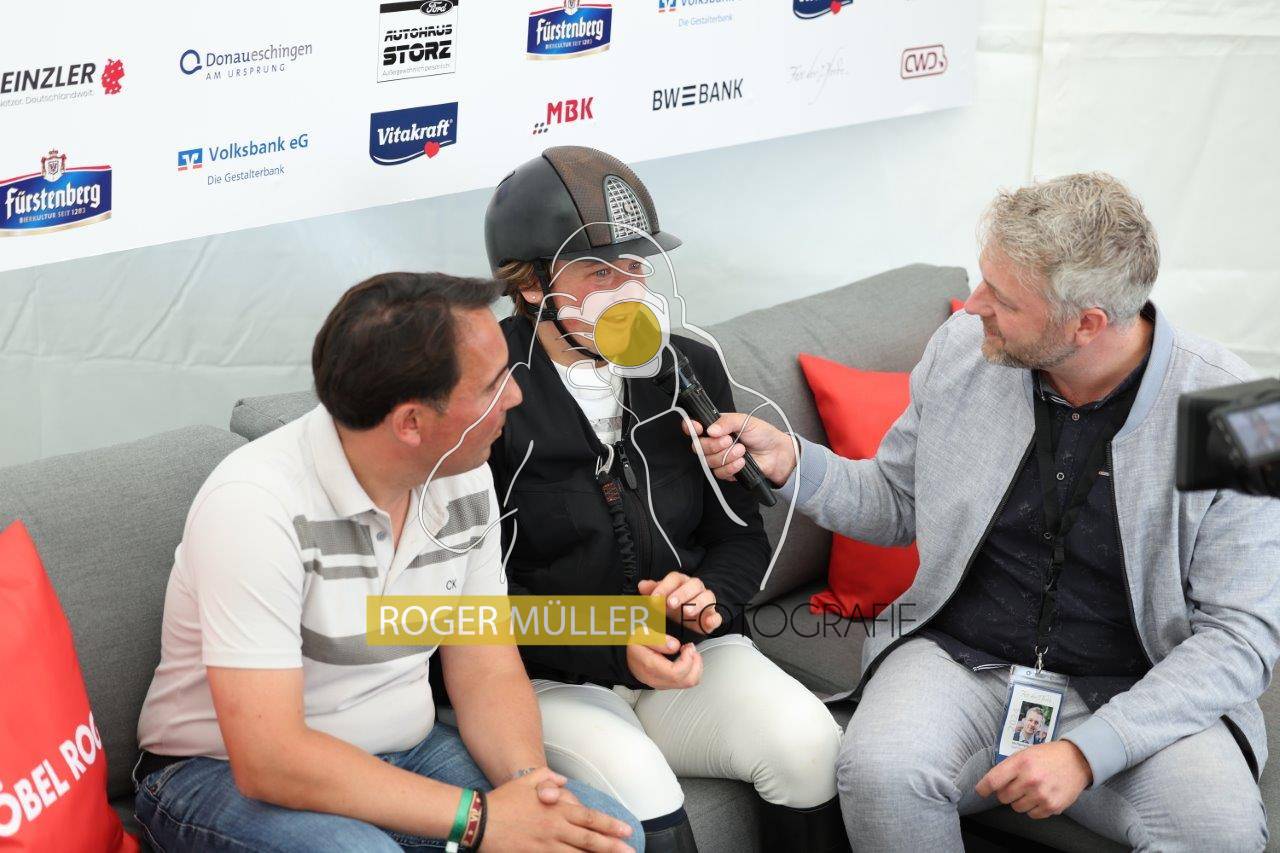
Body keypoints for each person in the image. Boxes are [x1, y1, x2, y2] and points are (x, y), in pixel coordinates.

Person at [690, 173, 1278, 851]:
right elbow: (896, 501)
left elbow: (1241, 636)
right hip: (962, 656)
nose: (973, 306)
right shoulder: (962, 349)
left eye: (1002, 297)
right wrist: (793, 461)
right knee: (879, 770)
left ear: (1086, 323)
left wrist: (1088, 751)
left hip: (1145, 683)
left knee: (1218, 834)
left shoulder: (1241, 410)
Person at [134, 272, 643, 852]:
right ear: (410, 423)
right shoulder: (253, 505)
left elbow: (485, 668)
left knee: (600, 833)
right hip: (214, 773)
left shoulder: (462, 474)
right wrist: (480, 820)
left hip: (405, 752)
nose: (515, 397)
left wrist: (530, 791)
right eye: (492, 386)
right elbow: (269, 758)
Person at [480, 146, 846, 852]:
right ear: (530, 285)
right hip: (549, 677)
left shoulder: (685, 366)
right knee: (640, 788)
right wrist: (620, 637)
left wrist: (707, 597)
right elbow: (468, 604)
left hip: (685, 651)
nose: (628, 290)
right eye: (599, 272)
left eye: (636, 266)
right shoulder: (483, 391)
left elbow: (742, 535)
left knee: (810, 745)